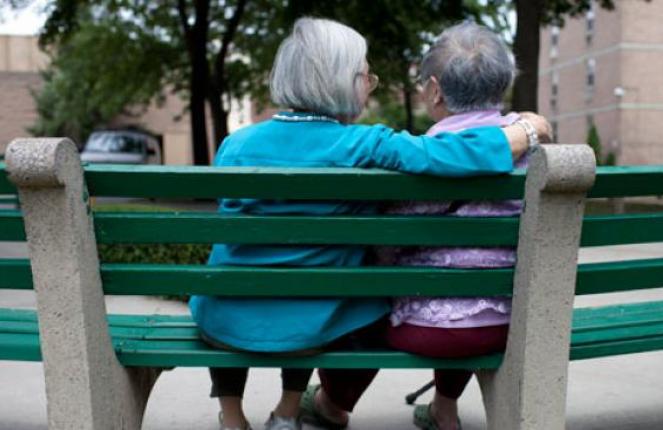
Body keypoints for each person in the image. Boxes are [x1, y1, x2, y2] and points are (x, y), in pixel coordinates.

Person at [188, 17, 549, 430]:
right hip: (314, 325)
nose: (370, 83)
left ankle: (232, 417)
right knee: (328, 293)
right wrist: (525, 129)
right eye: (366, 75)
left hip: (225, 319)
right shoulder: (365, 143)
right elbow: (448, 155)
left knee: (233, 280)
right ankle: (287, 412)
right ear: (338, 81)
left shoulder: (236, 145)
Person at [376, 22, 540, 430]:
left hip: (423, 330)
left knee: (371, 301)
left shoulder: (422, 156)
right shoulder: (533, 150)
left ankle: (331, 403)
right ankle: (443, 409)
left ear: (435, 90)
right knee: (470, 289)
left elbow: (387, 245)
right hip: (506, 324)